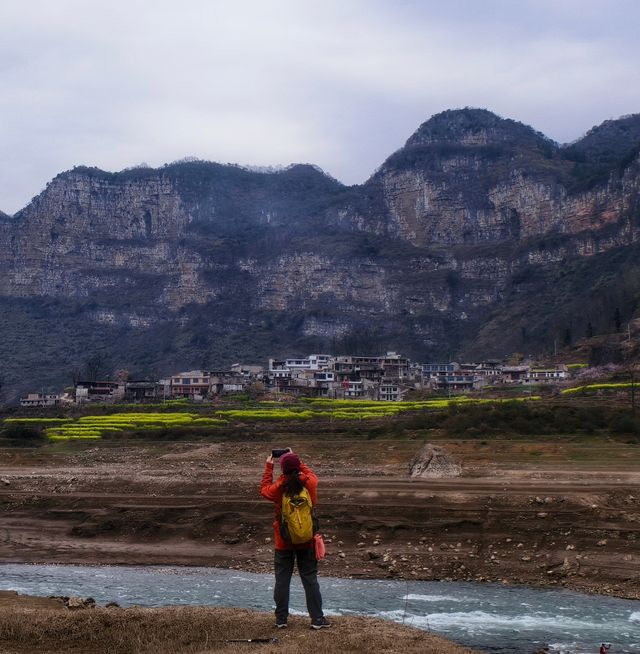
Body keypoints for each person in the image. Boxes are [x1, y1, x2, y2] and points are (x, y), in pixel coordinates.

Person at [260, 448, 330, 630]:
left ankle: (281, 619)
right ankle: (317, 619)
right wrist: (298, 460)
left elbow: (264, 490)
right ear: (297, 466)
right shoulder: (310, 483)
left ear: (282, 469)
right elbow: (311, 474)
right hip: (307, 540)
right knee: (310, 579)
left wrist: (269, 467)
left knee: (282, 580)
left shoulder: (279, 487)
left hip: (283, 542)